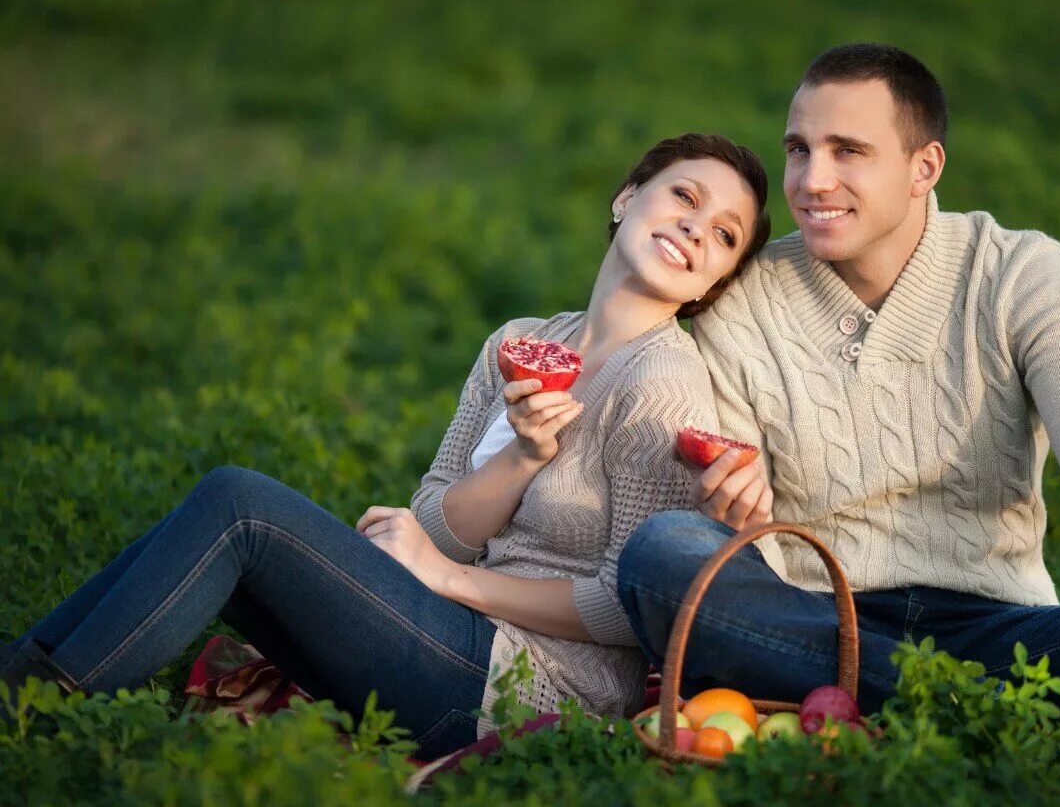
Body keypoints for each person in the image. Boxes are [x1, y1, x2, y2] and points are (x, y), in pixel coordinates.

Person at [0, 133, 771, 760]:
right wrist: (521, 459)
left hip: (524, 687)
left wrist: (450, 581)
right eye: (685, 196)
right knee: (228, 541)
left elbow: (627, 605)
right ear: (626, 197)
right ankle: (27, 676)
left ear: (712, 282)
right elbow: (431, 523)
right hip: (446, 640)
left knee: (239, 507)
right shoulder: (521, 342)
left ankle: (25, 705)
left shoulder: (661, 384)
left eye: (724, 234)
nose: (698, 226)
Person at [617, 45, 1060, 771]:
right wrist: (745, 520)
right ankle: (1016, 729)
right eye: (800, 149)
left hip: (1010, 633)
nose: (812, 180)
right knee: (664, 556)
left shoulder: (1021, 275)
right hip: (819, 626)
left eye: (849, 151)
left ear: (924, 167)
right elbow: (759, 553)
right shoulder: (743, 300)